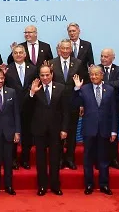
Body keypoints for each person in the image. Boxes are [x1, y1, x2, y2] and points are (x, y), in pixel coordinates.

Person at [72, 67, 116, 195]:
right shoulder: (84, 88)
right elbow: (74, 104)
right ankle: (89, 185)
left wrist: (114, 131)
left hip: (105, 129)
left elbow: (113, 112)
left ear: (102, 75)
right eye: (91, 74)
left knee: (103, 159)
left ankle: (104, 185)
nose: (94, 77)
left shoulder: (110, 90)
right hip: (89, 129)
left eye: (96, 74)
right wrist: (76, 89)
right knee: (88, 159)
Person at [28, 64, 70, 196]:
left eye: (47, 75)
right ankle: (42, 186)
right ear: (39, 76)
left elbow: (66, 111)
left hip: (56, 130)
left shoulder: (61, 88)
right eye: (42, 75)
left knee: (55, 159)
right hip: (39, 129)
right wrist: (32, 93)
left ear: (52, 74)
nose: (45, 77)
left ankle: (55, 185)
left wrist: (64, 129)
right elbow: (25, 109)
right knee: (40, 160)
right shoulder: (35, 87)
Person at [51, 39, 86, 171]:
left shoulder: (78, 63)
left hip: (73, 103)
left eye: (67, 48)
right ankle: (59, 159)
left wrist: (81, 103)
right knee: (57, 133)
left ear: (71, 49)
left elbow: (83, 84)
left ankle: (70, 159)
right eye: (63, 48)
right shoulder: (51, 63)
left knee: (71, 133)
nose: (65, 51)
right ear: (59, 49)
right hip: (56, 106)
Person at [5, 44, 38, 170]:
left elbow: (35, 86)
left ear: (25, 54)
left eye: (20, 52)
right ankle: (13, 159)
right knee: (12, 135)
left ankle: (25, 159)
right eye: (15, 53)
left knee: (27, 136)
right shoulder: (8, 70)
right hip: (12, 107)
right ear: (12, 55)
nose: (18, 55)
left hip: (29, 106)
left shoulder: (33, 69)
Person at [97, 49, 119, 170]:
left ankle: (114, 159)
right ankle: (100, 159)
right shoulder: (96, 68)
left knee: (114, 134)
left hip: (113, 107)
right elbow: (94, 82)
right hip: (98, 107)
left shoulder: (118, 69)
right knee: (99, 135)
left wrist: (103, 82)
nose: (103, 58)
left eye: (106, 56)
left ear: (113, 58)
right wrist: (109, 83)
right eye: (102, 56)